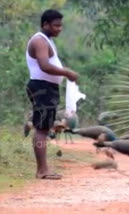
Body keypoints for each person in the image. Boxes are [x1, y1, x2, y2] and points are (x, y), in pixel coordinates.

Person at [26, 9, 78, 179]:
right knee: (41, 129)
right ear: (45, 24)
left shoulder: (47, 40)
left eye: (60, 25)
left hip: (47, 88)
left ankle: (44, 169)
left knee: (45, 127)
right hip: (42, 88)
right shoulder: (39, 41)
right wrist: (66, 72)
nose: (59, 29)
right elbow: (44, 66)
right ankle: (42, 170)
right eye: (55, 25)